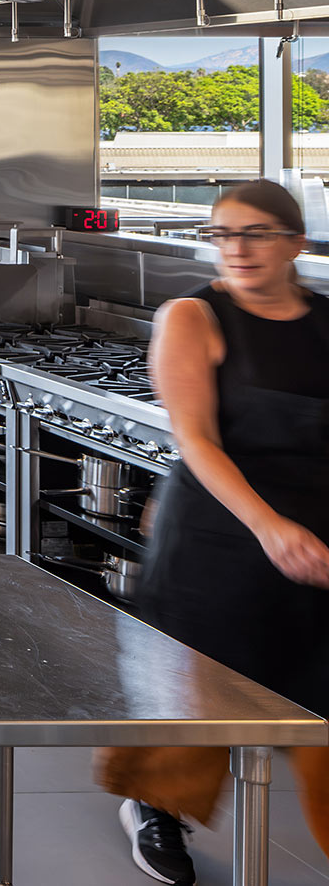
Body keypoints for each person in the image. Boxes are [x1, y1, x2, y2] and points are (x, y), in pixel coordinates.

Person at [97, 179, 329, 885]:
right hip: (219, 537)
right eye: (222, 234)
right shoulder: (193, 317)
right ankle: (155, 807)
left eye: (255, 232)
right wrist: (269, 526)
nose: (237, 248)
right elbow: (197, 440)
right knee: (197, 699)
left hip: (316, 538)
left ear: (296, 242)